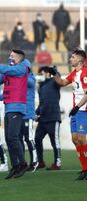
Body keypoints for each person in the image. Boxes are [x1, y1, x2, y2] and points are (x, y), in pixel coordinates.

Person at [0, 50, 30, 179]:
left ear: (20, 58)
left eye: (12, 56)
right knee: (9, 139)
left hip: (17, 107)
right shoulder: (9, 71)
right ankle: (15, 165)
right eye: (9, 55)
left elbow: (5, 71)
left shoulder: (22, 68)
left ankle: (23, 163)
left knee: (13, 137)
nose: (10, 57)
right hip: (9, 107)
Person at [53, 50, 87, 180]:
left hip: (83, 110)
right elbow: (62, 83)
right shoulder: (74, 73)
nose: (70, 59)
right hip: (76, 110)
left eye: (73, 57)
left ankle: (86, 169)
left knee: (81, 139)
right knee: (75, 139)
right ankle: (84, 168)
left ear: (80, 60)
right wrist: (54, 74)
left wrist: (78, 107)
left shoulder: (84, 73)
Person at [35, 66, 62, 170]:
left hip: (53, 117)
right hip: (42, 119)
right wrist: (36, 113)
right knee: (37, 139)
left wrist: (54, 71)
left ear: (47, 73)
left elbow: (58, 77)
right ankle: (40, 161)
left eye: (42, 73)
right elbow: (42, 103)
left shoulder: (54, 82)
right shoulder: (41, 87)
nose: (40, 75)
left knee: (54, 142)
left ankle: (57, 163)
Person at [19, 71, 38, 172]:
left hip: (28, 113)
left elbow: (30, 82)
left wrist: (20, 73)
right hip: (19, 113)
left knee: (29, 138)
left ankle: (35, 161)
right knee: (19, 139)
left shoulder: (30, 77)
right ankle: (22, 162)